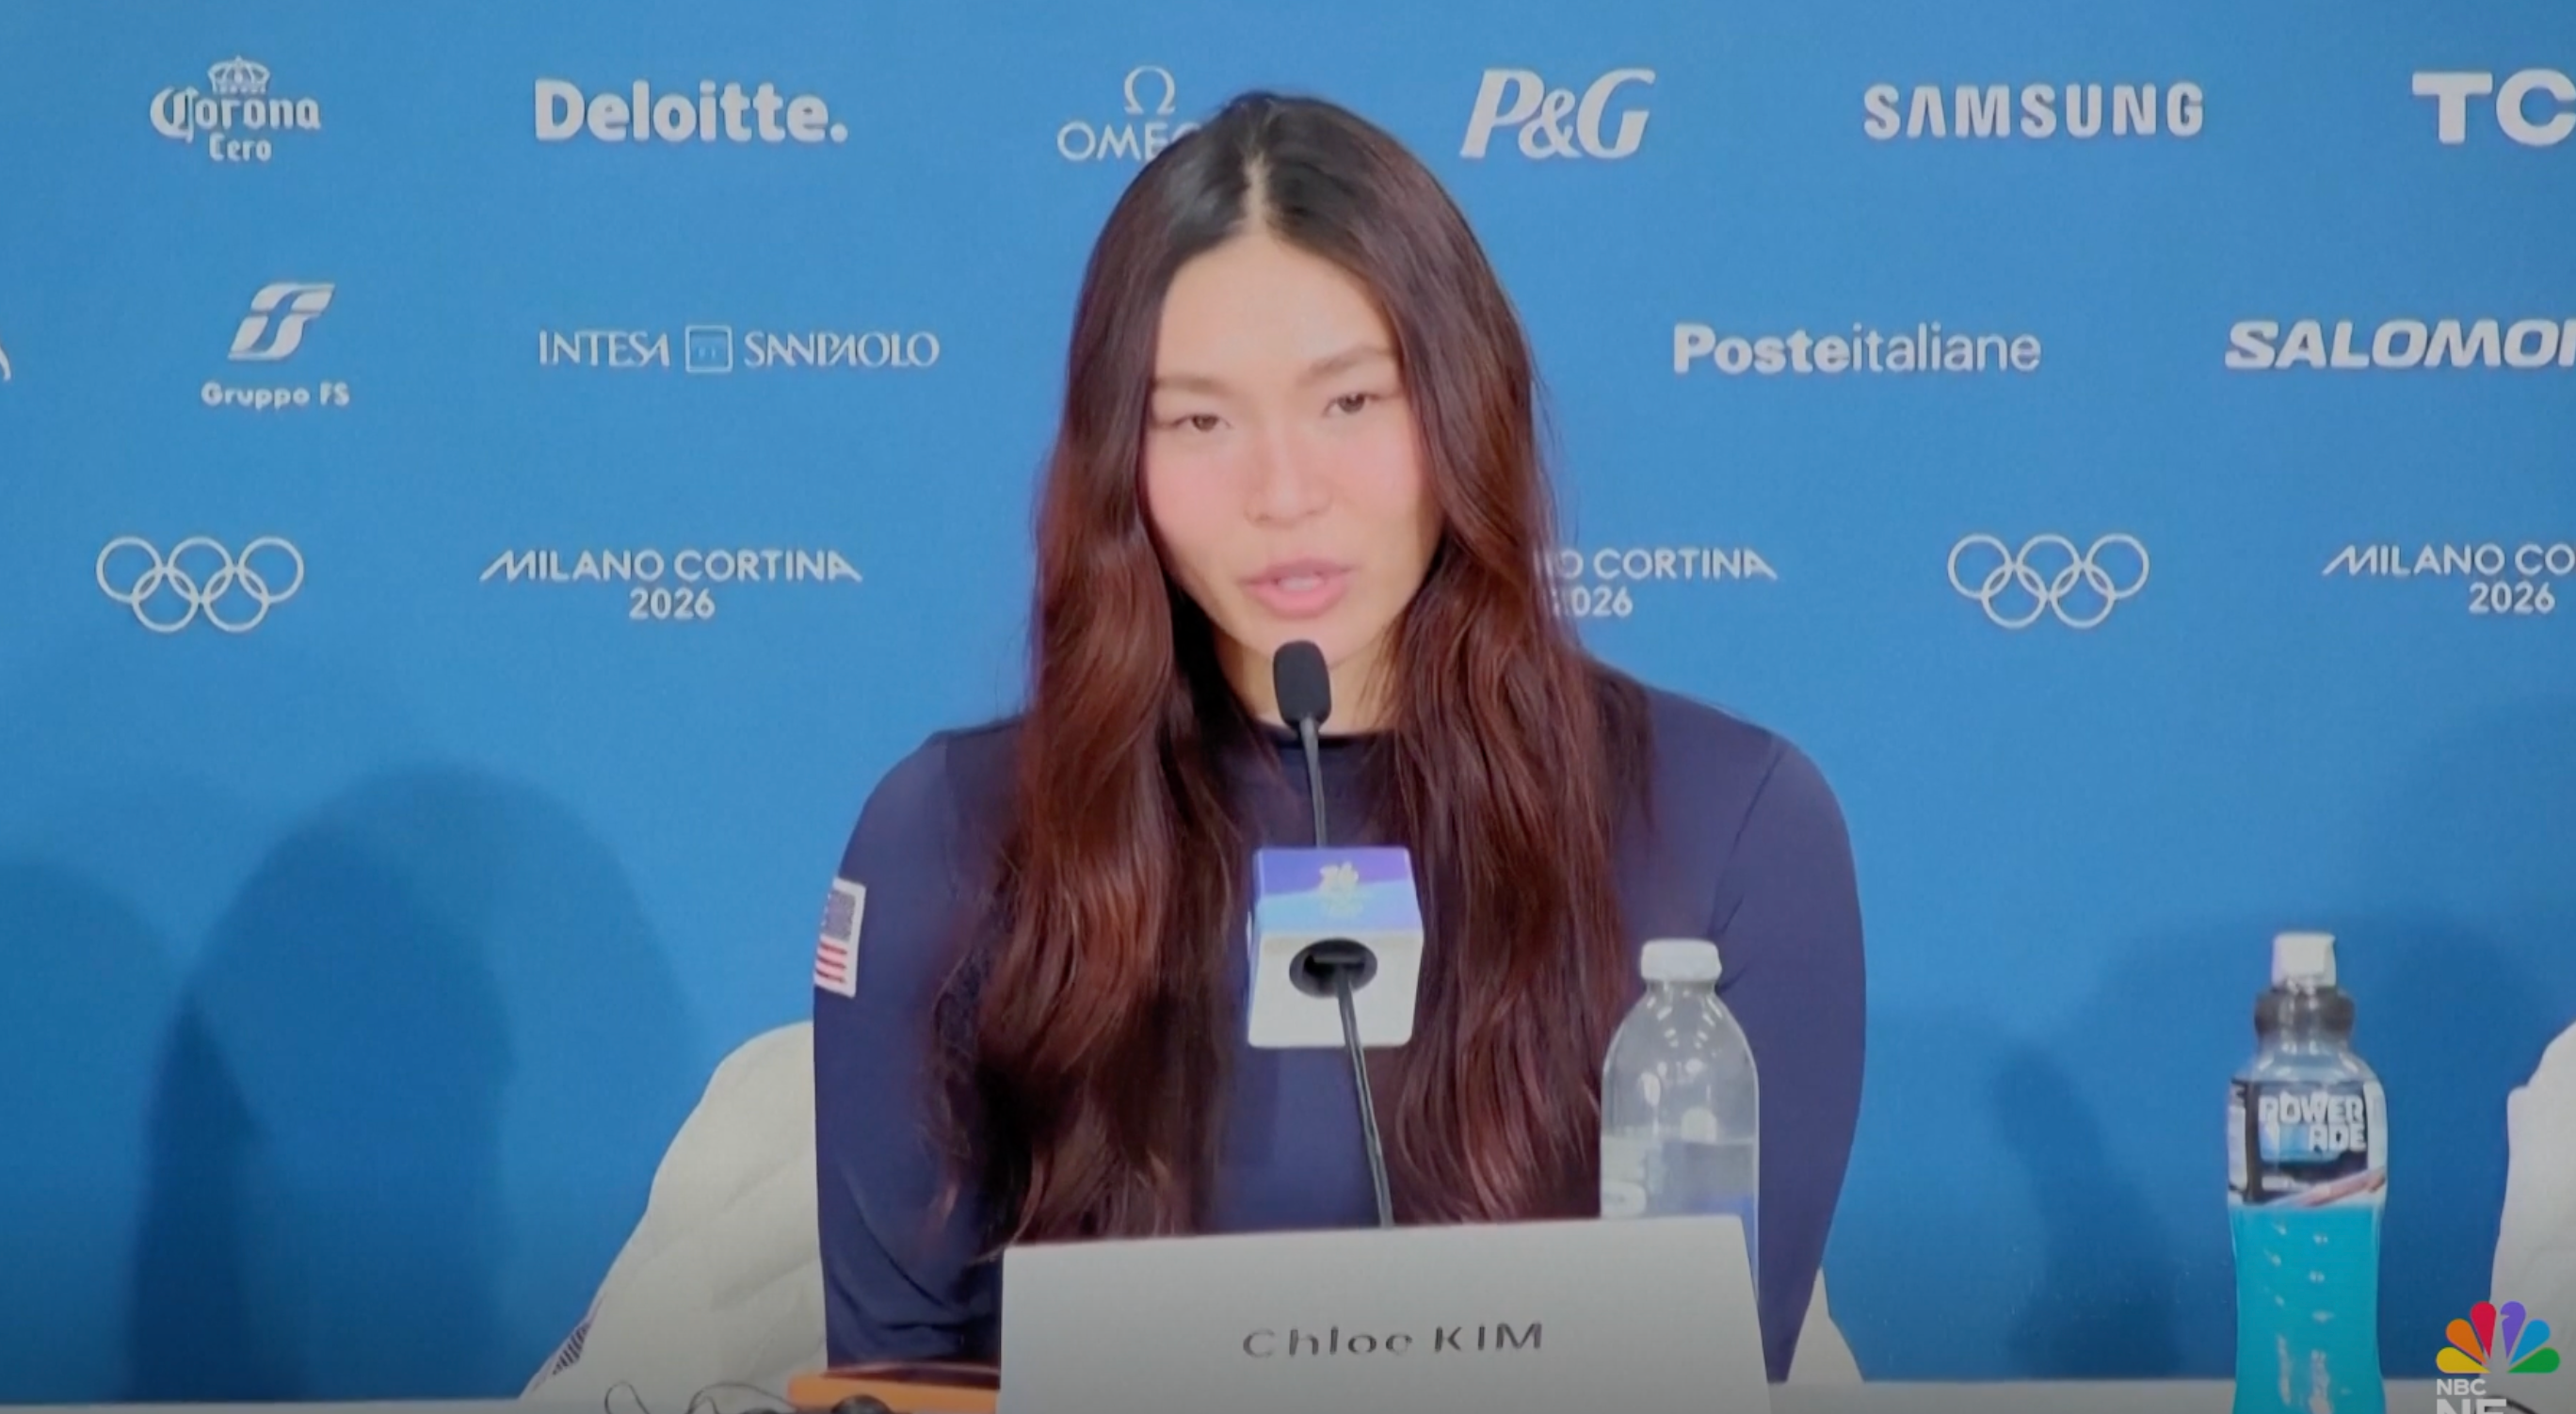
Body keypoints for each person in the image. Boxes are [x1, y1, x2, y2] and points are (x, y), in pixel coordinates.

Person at [813, 90, 1867, 1384]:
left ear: (1463, 406)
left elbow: (1706, 1372)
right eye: (1199, 419)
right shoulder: (947, 836)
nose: (1284, 491)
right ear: (1117, 463)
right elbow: (891, 1385)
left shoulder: (1734, 824)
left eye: (1352, 402)